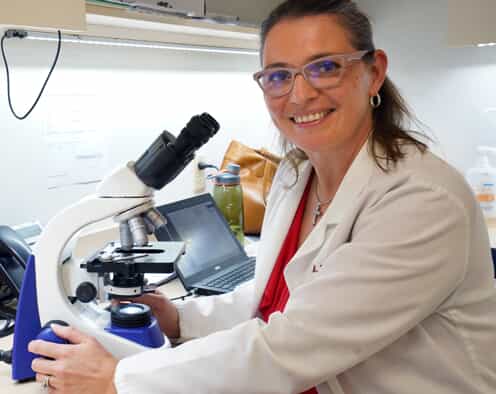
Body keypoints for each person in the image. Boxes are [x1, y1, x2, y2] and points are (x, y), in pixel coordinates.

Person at [29, 0, 496, 393]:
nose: (300, 95)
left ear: (374, 74)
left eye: (326, 67)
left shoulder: (421, 199)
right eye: (278, 76)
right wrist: (178, 319)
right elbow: (274, 298)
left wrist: (119, 379)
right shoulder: (296, 173)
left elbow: (291, 346)